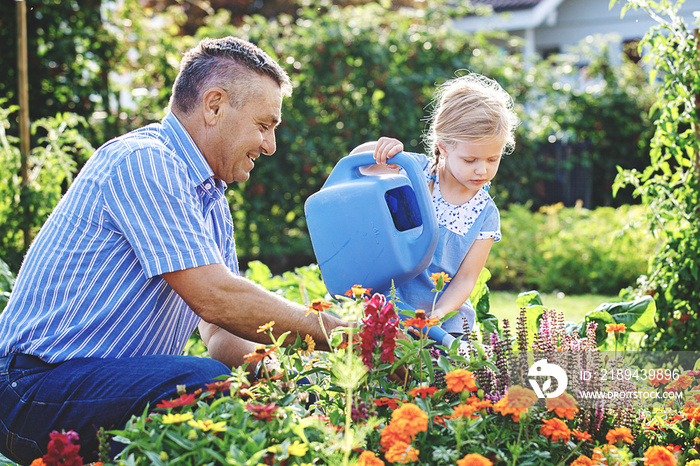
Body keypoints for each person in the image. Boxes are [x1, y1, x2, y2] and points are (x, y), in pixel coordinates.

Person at [0, 36, 349, 465]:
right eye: (264, 125)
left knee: (221, 383)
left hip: (82, 386)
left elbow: (220, 332)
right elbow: (215, 297)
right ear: (215, 105)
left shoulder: (211, 201)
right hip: (30, 389)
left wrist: (280, 380)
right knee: (202, 381)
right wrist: (337, 332)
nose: (270, 145)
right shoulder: (145, 161)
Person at [351, 73, 519, 341]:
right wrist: (380, 148)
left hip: (445, 325)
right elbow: (357, 166)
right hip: (390, 311)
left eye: (492, 158)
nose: (482, 169)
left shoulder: (485, 215)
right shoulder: (413, 171)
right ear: (443, 147)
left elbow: (466, 278)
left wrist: (438, 313)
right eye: (470, 159)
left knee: (445, 380)